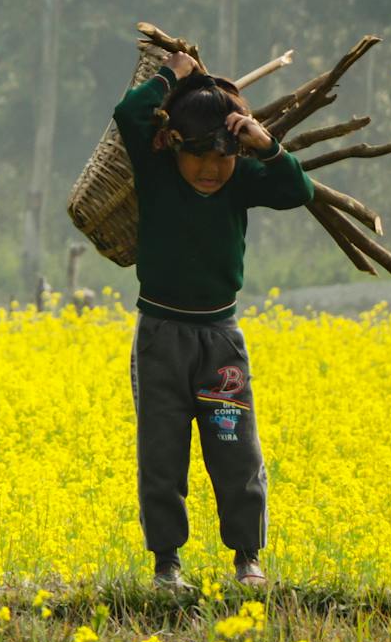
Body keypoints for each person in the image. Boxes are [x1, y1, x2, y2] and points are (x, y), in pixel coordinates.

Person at [111, 49, 315, 590]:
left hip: (220, 340)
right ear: (172, 145)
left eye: (222, 157)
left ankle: (248, 557)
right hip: (160, 336)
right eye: (197, 157)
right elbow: (130, 114)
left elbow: (299, 191)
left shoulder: (243, 179)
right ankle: (166, 564)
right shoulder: (156, 172)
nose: (209, 170)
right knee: (162, 452)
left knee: (235, 450)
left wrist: (263, 143)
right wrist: (171, 75)